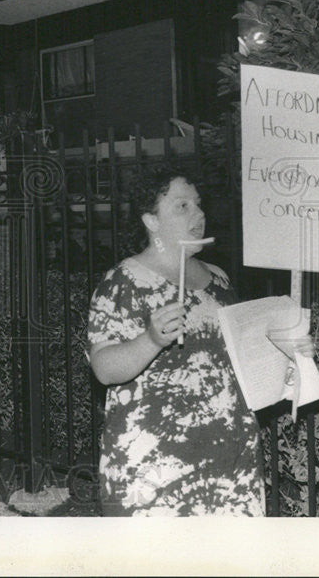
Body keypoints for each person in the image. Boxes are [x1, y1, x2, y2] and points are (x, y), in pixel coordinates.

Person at [86, 167, 264, 516]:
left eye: (198, 205)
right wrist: (151, 339)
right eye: (182, 206)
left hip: (230, 459)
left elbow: (244, 358)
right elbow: (104, 369)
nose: (199, 214)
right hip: (155, 463)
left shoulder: (219, 279)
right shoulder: (124, 281)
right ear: (151, 221)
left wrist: (287, 353)